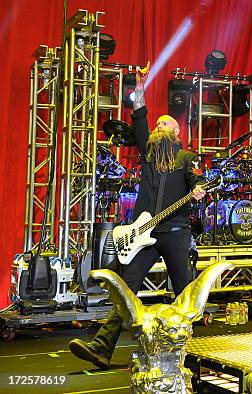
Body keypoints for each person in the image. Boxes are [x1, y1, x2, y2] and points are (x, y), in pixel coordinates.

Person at [69, 61, 208, 368]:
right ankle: (102, 347)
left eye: (165, 124)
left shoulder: (187, 156)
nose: (158, 126)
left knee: (184, 294)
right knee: (125, 290)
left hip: (175, 233)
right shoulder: (149, 153)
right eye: (157, 124)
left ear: (177, 132)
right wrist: (140, 89)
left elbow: (198, 179)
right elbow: (140, 117)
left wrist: (199, 189)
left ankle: (194, 355)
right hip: (143, 235)